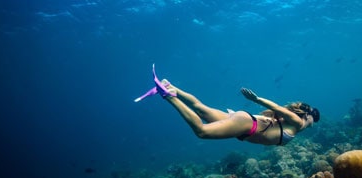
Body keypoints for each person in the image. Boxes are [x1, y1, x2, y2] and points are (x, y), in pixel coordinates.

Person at [134, 64, 320, 146]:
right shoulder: (297, 122)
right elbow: (278, 108)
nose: (313, 123)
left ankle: (170, 86)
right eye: (314, 118)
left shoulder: (291, 123)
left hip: (245, 125)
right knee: (202, 131)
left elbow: (275, 113)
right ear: (308, 115)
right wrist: (256, 100)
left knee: (201, 109)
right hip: (246, 125)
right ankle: (168, 95)